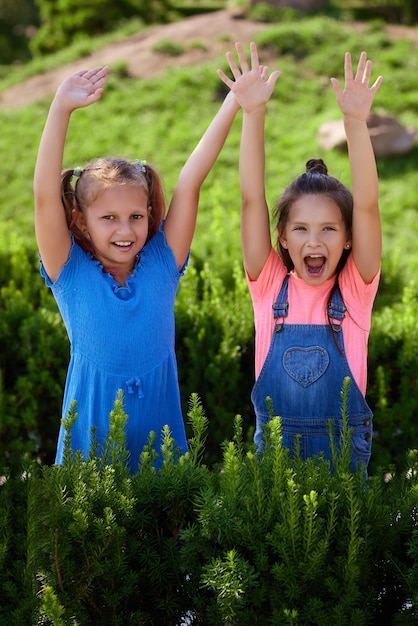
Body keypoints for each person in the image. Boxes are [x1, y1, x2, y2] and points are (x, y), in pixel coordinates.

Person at [34, 65, 241, 472]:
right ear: (79, 221)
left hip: (161, 454)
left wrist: (234, 101)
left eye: (136, 216)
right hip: (88, 454)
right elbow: (43, 197)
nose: (125, 230)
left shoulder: (163, 263)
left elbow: (192, 177)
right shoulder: (69, 274)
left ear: (150, 214)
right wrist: (61, 108)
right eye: (108, 218)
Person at [218, 42, 382, 472]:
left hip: (342, 460)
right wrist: (253, 114)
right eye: (301, 229)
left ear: (348, 239)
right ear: (282, 239)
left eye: (329, 229)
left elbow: (366, 205)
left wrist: (355, 124)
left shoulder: (355, 291)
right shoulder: (269, 284)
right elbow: (252, 199)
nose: (315, 242)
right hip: (275, 462)